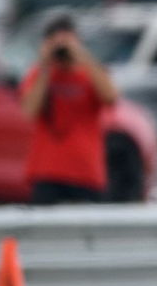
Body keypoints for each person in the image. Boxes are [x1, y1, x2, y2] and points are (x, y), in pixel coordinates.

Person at [18, 14, 118, 204]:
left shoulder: (91, 72)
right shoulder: (39, 74)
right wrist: (45, 65)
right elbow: (29, 110)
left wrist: (84, 58)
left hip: (86, 172)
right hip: (47, 171)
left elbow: (111, 97)